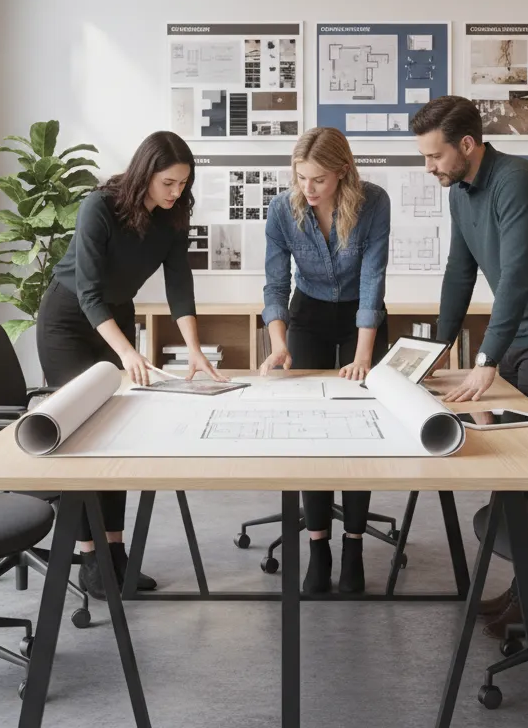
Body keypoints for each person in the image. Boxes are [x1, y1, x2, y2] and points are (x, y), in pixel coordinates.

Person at [410, 96, 528, 638]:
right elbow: (458, 272)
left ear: (467, 145)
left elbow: (514, 276)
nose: (429, 168)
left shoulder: (517, 181)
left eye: (434, 156)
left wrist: (486, 358)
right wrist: (439, 347)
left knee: (526, 460)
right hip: (517, 336)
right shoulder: (461, 189)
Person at [36, 130, 223, 599]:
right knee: (84, 435)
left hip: (116, 316)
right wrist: (126, 353)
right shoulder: (98, 206)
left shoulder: (173, 215)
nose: (177, 192)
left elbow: (180, 283)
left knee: (115, 435)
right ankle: (88, 557)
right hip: (69, 320)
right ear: (145, 173)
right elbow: (89, 292)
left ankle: (115, 552)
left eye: (183, 183)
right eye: (168, 183)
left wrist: (195, 348)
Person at [259, 127, 391, 594]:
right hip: (309, 314)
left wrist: (362, 360)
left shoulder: (374, 202)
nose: (307, 189)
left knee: (361, 431)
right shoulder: (282, 209)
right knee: (310, 430)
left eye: (317, 179)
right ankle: (318, 546)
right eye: (300, 178)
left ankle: (353, 545)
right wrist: (279, 343)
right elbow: (275, 286)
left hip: (363, 318)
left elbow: (373, 279)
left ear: (342, 172)